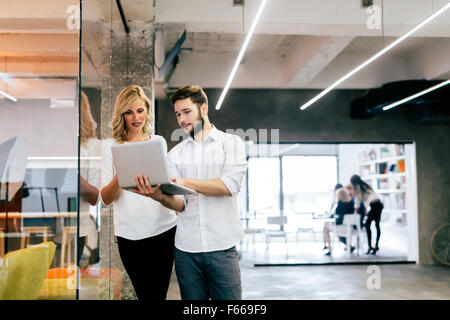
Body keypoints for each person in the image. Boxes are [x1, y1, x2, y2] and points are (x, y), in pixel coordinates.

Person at [100, 85, 184, 301]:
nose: (135, 117)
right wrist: (121, 171)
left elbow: (163, 184)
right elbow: (105, 198)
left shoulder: (158, 142)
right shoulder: (110, 146)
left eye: (140, 110)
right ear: (122, 115)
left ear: (147, 110)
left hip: (164, 230)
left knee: (158, 295)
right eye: (129, 112)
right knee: (146, 294)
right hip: (130, 235)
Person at [164, 85, 247, 300]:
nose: (181, 119)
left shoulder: (231, 143)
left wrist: (185, 182)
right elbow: (180, 204)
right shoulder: (175, 155)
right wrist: (155, 193)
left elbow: (229, 186)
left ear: (204, 108)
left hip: (222, 247)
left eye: (186, 112)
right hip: (186, 250)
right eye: (177, 114)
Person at [79, 90, 101, 266]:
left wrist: (72, 174)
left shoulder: (92, 146)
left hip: (75, 230)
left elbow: (95, 196)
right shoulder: (52, 142)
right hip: (43, 227)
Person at [350, 174, 383, 255]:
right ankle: (375, 246)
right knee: (377, 225)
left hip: (374, 205)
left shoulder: (358, 188)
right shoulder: (365, 185)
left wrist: (356, 214)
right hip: (379, 204)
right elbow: (367, 199)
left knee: (368, 224)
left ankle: (370, 247)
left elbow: (358, 203)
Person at [323, 187, 355, 256]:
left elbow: (334, 215)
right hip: (350, 227)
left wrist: (328, 216)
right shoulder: (351, 204)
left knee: (325, 226)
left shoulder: (340, 204)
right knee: (338, 233)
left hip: (342, 227)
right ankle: (349, 246)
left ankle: (329, 249)